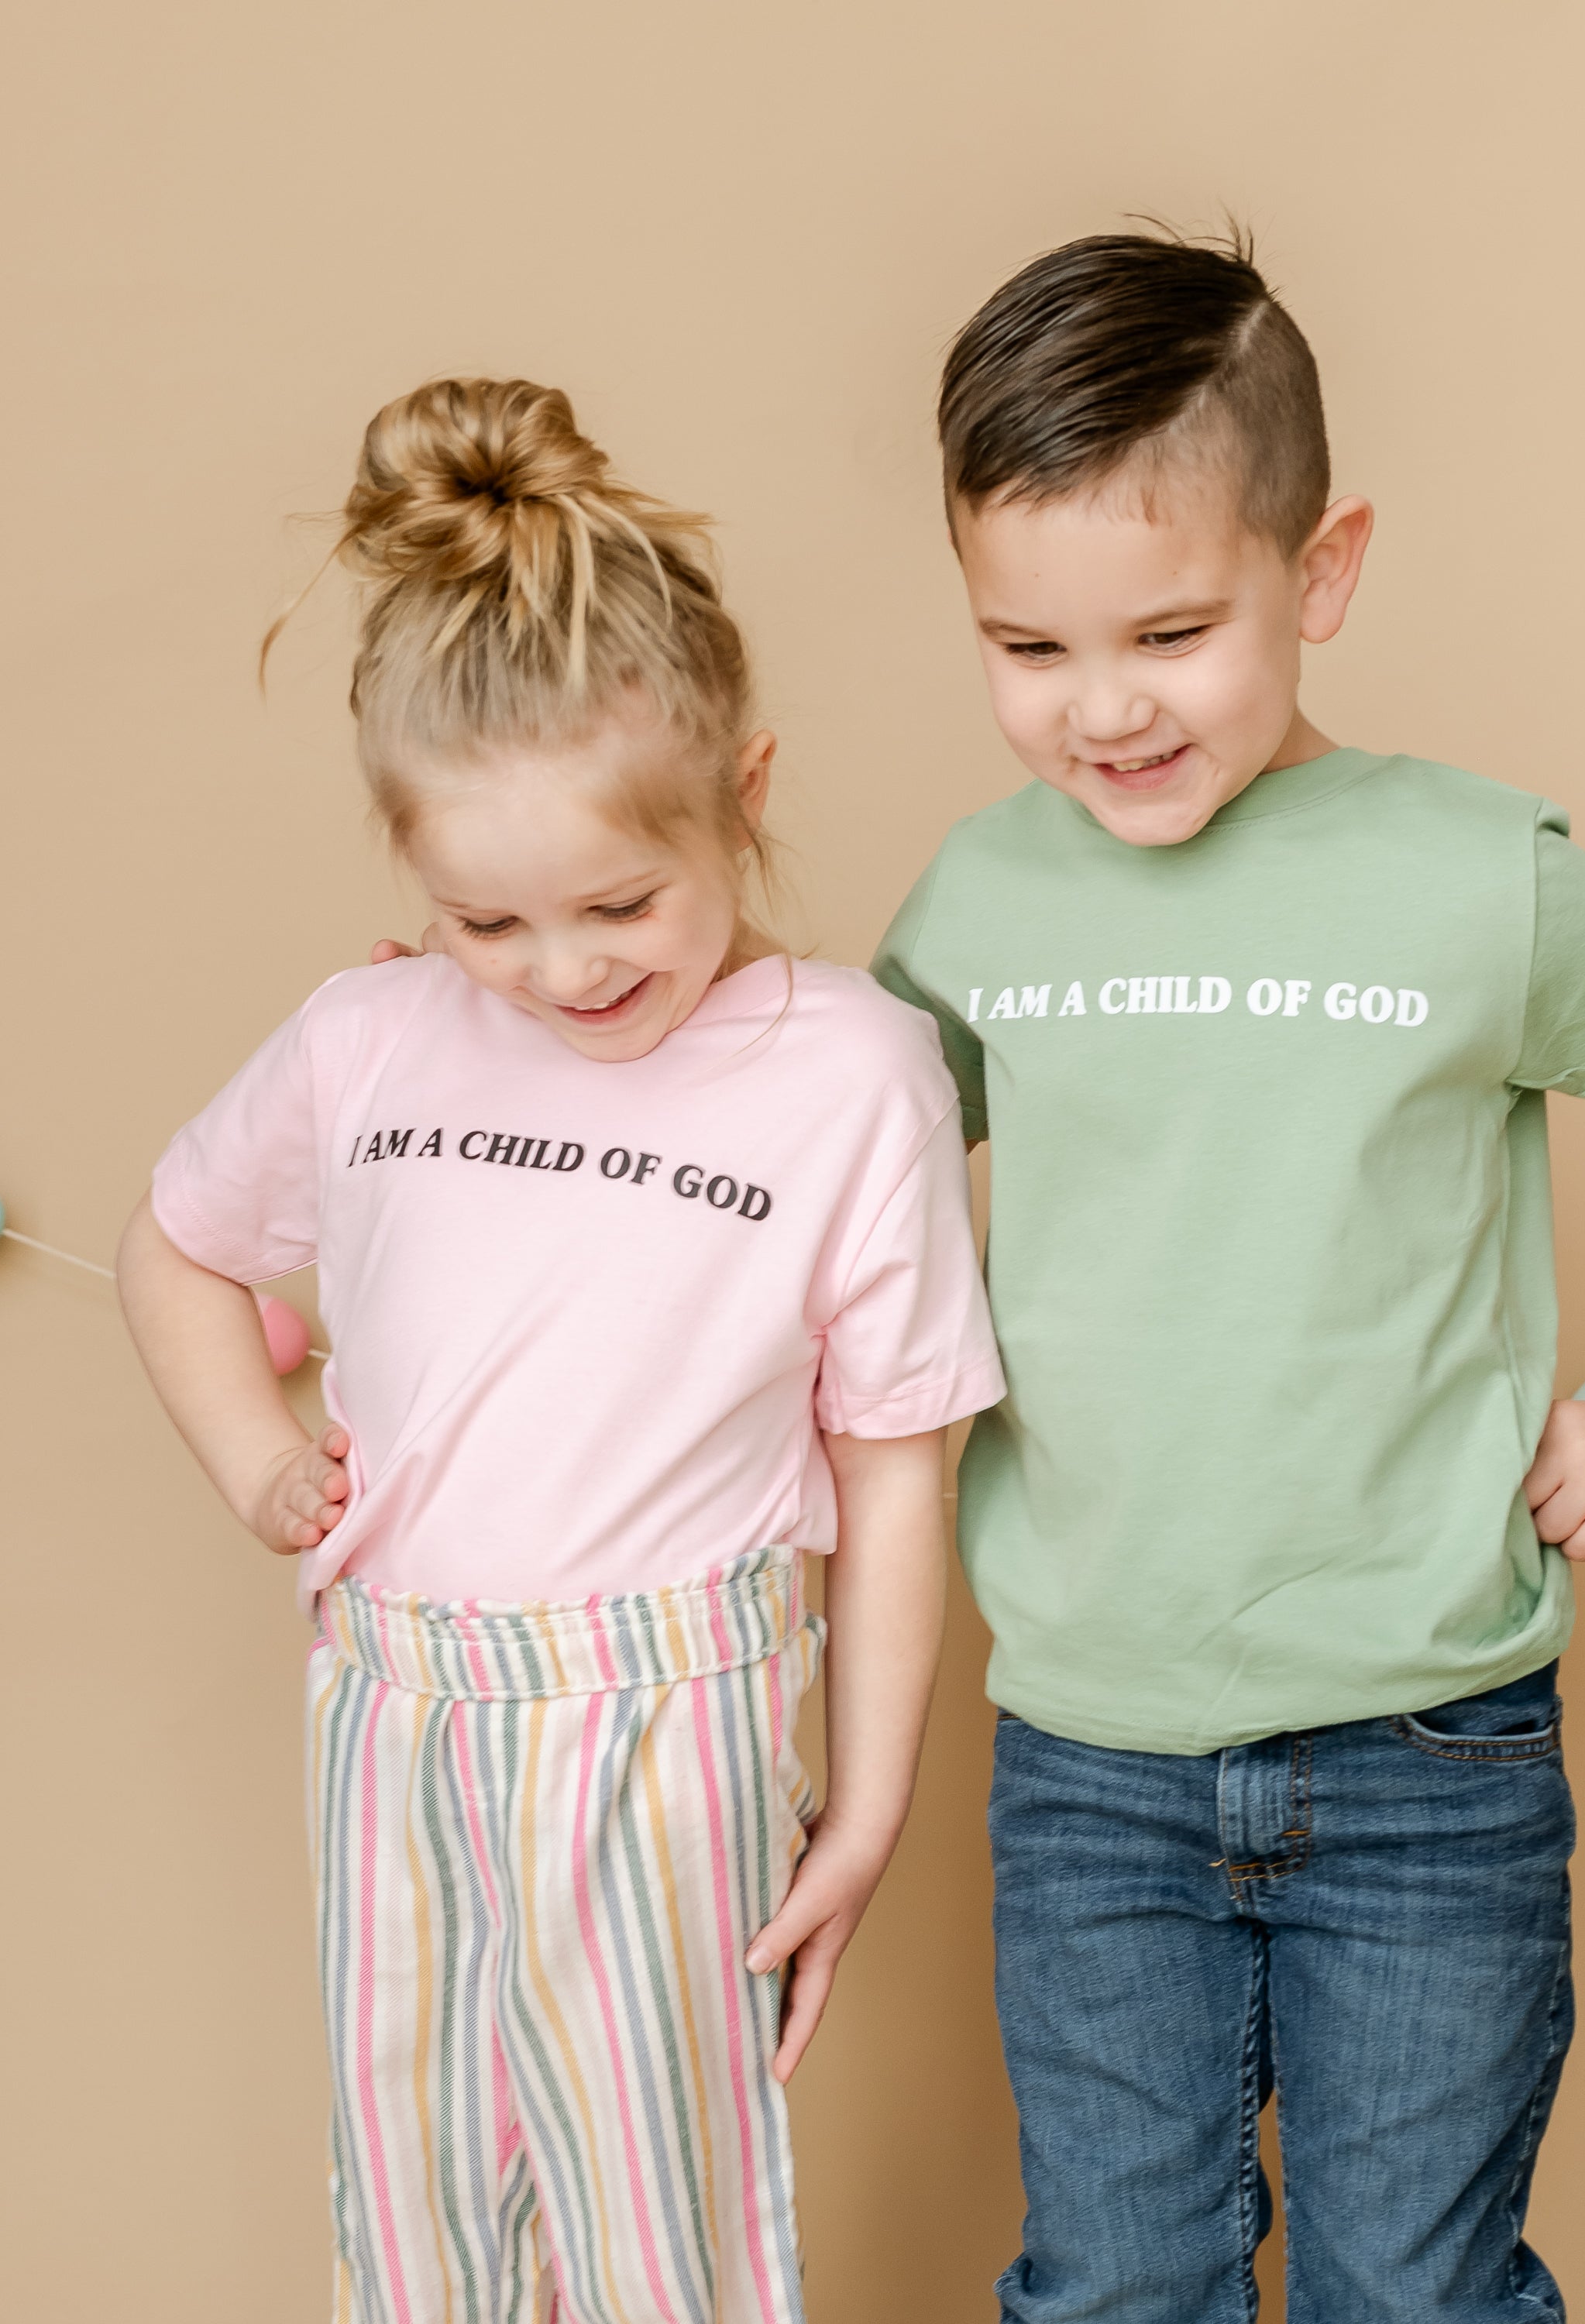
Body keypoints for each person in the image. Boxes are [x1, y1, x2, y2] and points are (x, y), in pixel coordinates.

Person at [871, 232, 1585, 2322]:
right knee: (1115, 2288)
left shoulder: (1479, 879)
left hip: (1429, 1746)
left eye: (1172, 631)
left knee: (1415, 2293)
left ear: (1325, 570)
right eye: (1028, 646)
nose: (1104, 707)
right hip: (1091, 1757)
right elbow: (831, 1159)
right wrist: (534, 1021)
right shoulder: (980, 896)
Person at [115, 377, 1003, 2324]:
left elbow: (896, 1468)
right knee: (415, 2220)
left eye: (620, 903)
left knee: (658, 2241)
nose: (566, 969)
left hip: (669, 1727)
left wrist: (865, 1806)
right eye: (487, 921)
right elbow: (173, 1247)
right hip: (395, 1717)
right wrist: (259, 1458)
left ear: (746, 791)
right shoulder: (369, 1038)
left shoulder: (854, 1074)